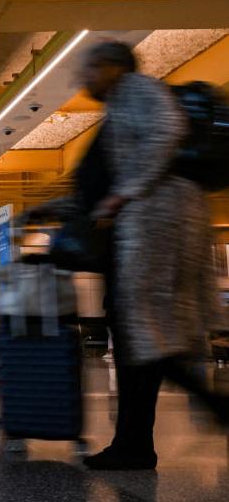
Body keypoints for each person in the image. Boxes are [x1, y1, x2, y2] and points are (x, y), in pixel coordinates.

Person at [70, 41, 229, 470]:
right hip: (150, 230)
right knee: (141, 336)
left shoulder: (137, 89)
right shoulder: (124, 101)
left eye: (91, 68)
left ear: (114, 66)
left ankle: (208, 408)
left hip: (154, 230)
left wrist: (124, 193)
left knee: (144, 332)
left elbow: (166, 130)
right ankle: (135, 442)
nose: (84, 78)